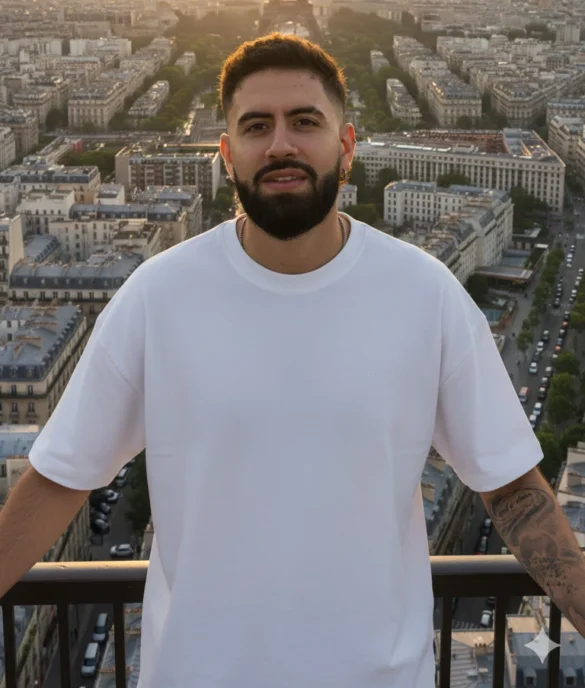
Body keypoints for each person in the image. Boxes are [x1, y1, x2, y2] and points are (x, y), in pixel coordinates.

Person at [0, 34, 547, 688]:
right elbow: (61, 477)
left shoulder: (427, 295)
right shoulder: (155, 295)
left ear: (345, 147)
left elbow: (513, 488)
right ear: (226, 153)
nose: (281, 143)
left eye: (304, 122)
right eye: (257, 126)